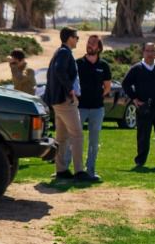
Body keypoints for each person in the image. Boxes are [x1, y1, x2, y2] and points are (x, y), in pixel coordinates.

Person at [44, 27, 86, 181]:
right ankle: (79, 171)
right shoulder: (64, 52)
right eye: (76, 37)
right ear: (69, 38)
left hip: (58, 101)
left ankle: (61, 170)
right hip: (65, 101)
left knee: (61, 137)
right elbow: (59, 70)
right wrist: (71, 91)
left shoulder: (60, 52)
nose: (78, 40)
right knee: (77, 135)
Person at [76, 34, 112, 183]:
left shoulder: (104, 66)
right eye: (88, 42)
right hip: (79, 108)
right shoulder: (77, 63)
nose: (90, 45)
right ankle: (67, 170)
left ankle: (91, 171)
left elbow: (107, 87)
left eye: (93, 43)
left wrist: (97, 96)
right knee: (74, 139)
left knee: (94, 141)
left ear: (99, 48)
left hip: (97, 108)